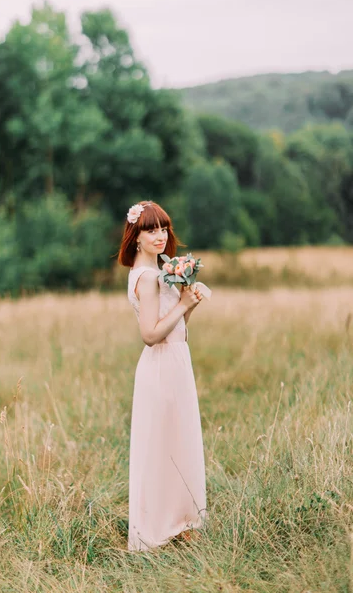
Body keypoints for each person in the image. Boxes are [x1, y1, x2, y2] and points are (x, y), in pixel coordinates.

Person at [118, 200, 208, 552]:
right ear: (135, 237)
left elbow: (175, 329)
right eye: (151, 229)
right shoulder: (148, 276)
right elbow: (151, 334)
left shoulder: (160, 270)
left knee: (177, 443)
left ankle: (180, 523)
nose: (160, 235)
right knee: (162, 447)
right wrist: (184, 305)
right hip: (161, 364)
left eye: (164, 228)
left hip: (175, 360)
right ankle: (159, 527)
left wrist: (189, 306)